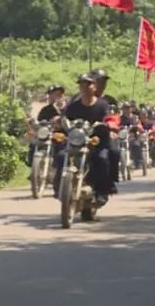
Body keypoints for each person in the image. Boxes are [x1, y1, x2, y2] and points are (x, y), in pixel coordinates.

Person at [54, 73, 115, 206]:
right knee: (60, 156)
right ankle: (59, 187)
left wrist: (109, 124)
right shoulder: (73, 106)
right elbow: (65, 118)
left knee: (102, 159)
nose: (85, 87)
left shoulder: (102, 105)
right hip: (77, 141)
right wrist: (59, 122)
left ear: (94, 86)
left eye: (88, 84)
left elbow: (109, 118)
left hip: (97, 141)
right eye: (82, 84)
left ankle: (102, 192)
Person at [27, 85, 66, 166]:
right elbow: (40, 122)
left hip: (62, 136)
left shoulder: (68, 108)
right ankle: (34, 169)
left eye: (57, 94)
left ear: (62, 95)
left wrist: (60, 119)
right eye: (51, 94)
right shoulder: (45, 109)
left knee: (61, 153)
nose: (53, 97)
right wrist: (33, 123)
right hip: (48, 135)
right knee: (34, 144)